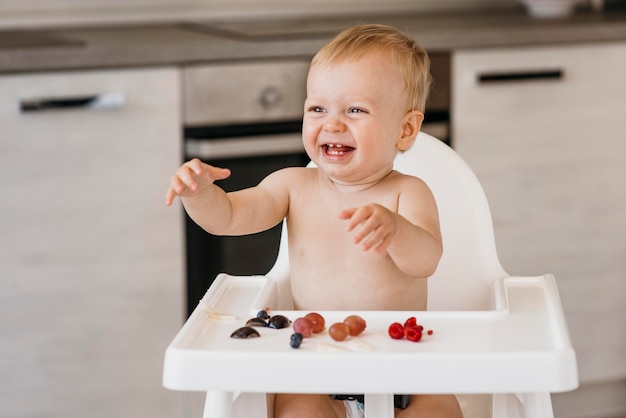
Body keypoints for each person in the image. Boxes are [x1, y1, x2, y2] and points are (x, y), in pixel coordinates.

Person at [166, 23, 463, 418]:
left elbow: (425, 260)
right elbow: (230, 217)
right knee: (296, 411)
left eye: (355, 110)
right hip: (316, 370)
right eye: (317, 108)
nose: (333, 123)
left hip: (402, 366)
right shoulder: (292, 185)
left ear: (405, 130)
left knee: (441, 411)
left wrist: (397, 230)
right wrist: (201, 195)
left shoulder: (408, 192)